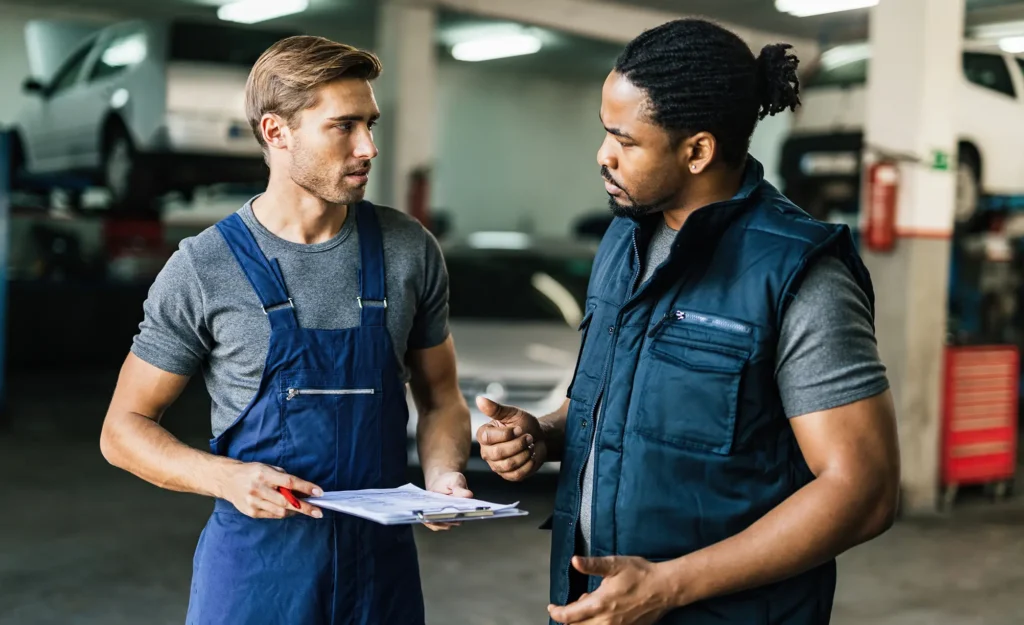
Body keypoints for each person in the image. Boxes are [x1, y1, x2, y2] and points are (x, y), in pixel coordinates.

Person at [477, 19, 900, 625]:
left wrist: (667, 587)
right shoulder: (624, 239)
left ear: (698, 151)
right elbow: (623, 402)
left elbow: (864, 490)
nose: (603, 155)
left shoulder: (798, 274)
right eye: (604, 132)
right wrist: (543, 434)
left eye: (624, 140)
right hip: (597, 605)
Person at [99, 36, 472, 625]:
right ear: (277, 132)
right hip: (258, 578)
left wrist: (442, 474)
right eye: (343, 126)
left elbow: (442, 398)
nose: (368, 147)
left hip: (380, 578)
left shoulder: (408, 249)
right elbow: (123, 429)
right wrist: (224, 478)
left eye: (370, 124)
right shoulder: (205, 267)